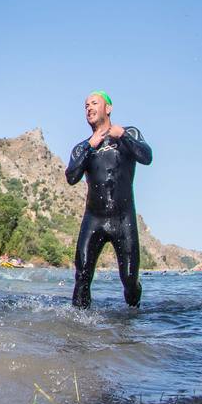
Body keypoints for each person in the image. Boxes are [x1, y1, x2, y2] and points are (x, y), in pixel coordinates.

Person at [64, 91, 153, 308]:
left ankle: (131, 322)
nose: (89, 108)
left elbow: (147, 157)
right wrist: (89, 147)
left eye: (94, 103)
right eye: (86, 105)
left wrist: (123, 135)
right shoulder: (82, 147)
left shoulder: (128, 134)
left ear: (108, 108)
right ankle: (79, 329)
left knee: (130, 280)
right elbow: (71, 177)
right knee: (82, 277)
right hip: (94, 219)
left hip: (124, 219)